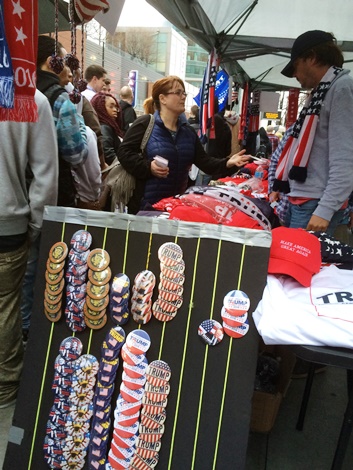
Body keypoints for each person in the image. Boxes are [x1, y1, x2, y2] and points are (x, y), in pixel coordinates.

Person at [0, 89, 58, 408]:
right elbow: (46, 178)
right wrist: (36, 226)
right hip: (7, 224)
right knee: (6, 309)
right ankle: (6, 388)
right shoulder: (29, 97)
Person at [118, 75, 250, 214]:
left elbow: (205, 162)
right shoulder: (145, 124)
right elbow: (124, 152)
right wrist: (147, 167)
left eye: (184, 93)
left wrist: (228, 163)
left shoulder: (188, 132)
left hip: (175, 208)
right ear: (162, 98)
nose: (183, 97)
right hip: (145, 208)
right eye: (178, 93)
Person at [273, 29, 353, 235]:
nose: (294, 74)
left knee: (298, 264)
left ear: (311, 58)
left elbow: (345, 158)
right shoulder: (322, 92)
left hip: (314, 204)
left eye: (295, 66)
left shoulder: (341, 88)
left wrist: (325, 210)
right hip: (305, 200)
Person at [91, 92, 124, 165]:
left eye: (116, 107)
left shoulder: (108, 126)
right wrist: (122, 165)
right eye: (111, 107)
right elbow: (107, 153)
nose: (115, 110)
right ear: (101, 108)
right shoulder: (104, 128)